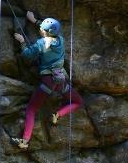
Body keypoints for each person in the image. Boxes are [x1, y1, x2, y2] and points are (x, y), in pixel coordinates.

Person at [11, 11, 84, 150]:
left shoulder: (41, 44)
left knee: (32, 109)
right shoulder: (61, 40)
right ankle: (58, 114)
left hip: (47, 83)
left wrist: (21, 42)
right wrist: (34, 21)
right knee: (78, 101)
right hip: (61, 82)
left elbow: (26, 55)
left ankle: (25, 141)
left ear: (43, 32)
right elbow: (48, 31)